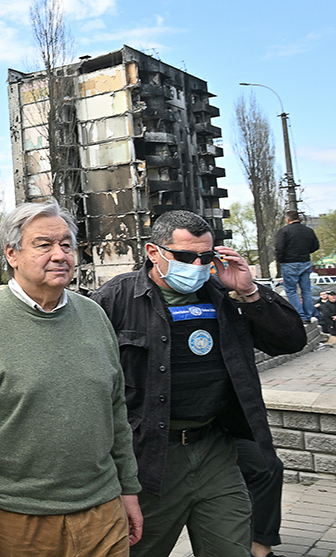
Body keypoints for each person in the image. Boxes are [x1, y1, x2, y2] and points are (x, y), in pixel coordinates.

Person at [92, 210, 306, 557]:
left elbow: (290, 341)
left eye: (206, 257)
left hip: (215, 450)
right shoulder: (116, 299)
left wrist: (250, 291)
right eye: (186, 256)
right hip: (150, 456)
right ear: (153, 252)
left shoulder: (223, 294)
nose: (197, 265)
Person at [0, 200, 142, 557]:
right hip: (17, 522)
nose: (59, 255)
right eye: (44, 245)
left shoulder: (94, 317)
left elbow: (115, 413)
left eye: (66, 244)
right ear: (12, 255)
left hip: (103, 512)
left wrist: (128, 488)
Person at [274, 211, 320, 323]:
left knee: (291, 290)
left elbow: (279, 247)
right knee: (306, 290)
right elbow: (316, 246)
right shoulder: (308, 230)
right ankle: (308, 315)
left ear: (288, 219)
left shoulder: (284, 231)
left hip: (290, 262)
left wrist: (281, 259)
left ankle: (301, 315)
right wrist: (305, 252)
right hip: (305, 261)